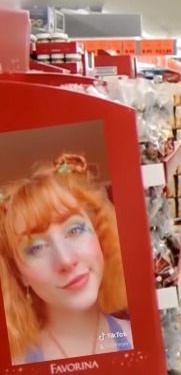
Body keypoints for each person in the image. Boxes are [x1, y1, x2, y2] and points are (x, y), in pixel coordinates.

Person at [0, 154, 133, 365]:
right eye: (37, 248)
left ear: (100, 236)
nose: (65, 260)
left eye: (74, 230)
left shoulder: (138, 340)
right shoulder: (15, 363)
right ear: (19, 274)